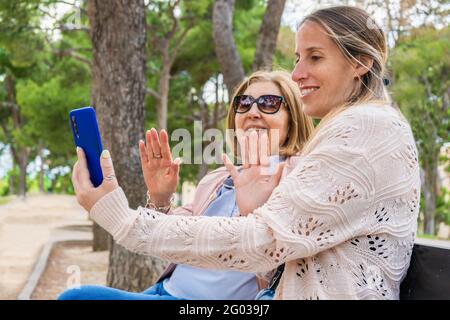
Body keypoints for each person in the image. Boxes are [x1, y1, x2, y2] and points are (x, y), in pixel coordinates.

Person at [69, 5, 421, 299]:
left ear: (360, 63)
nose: (298, 74)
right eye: (243, 102)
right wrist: (160, 200)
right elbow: (260, 239)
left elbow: (262, 244)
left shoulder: (360, 131)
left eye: (315, 57)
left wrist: (122, 219)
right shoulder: (222, 176)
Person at [58, 70, 314, 300]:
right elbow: (171, 242)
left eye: (269, 103)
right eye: (243, 103)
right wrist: (160, 198)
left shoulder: (302, 174)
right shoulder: (217, 179)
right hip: (165, 290)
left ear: (293, 118)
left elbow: (284, 262)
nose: (253, 111)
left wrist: (251, 212)